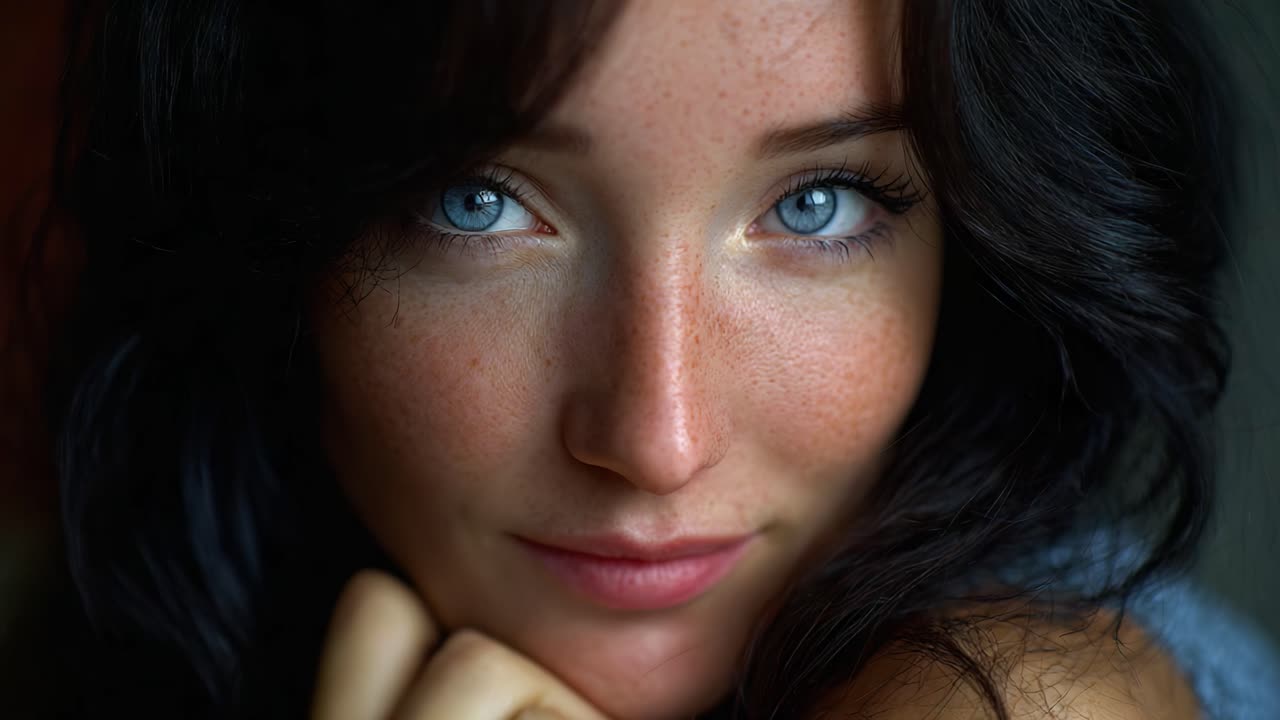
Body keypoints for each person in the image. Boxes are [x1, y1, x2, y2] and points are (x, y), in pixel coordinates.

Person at [6, 0, 1280, 718]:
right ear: (263, 226)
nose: (655, 437)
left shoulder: (1018, 695)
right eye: (475, 202)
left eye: (819, 204)